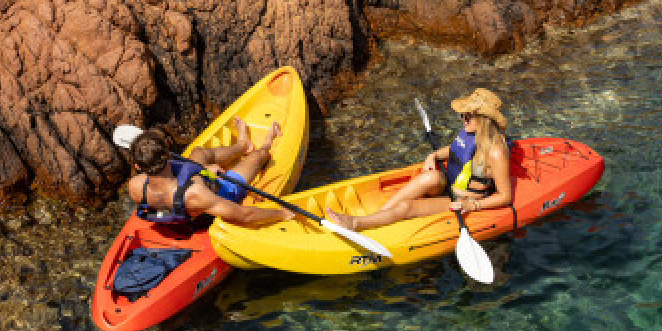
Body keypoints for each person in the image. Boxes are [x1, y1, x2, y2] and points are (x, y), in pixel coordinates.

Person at [327, 88, 514, 231]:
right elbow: (456, 150)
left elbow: (505, 196)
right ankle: (379, 216)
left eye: (467, 116)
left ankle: (357, 222)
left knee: (407, 207)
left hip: (462, 199)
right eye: (462, 115)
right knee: (428, 177)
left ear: (484, 120)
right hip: (449, 184)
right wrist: (432, 156)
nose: (462, 119)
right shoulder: (470, 133)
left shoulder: (496, 152)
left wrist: (473, 205)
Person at [125, 117, 294, 227]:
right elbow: (244, 215)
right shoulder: (194, 194)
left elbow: (175, 171)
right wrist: (282, 213)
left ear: (137, 167)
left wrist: (203, 170)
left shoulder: (135, 186)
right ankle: (265, 145)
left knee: (199, 152)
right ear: (168, 155)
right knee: (257, 158)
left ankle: (242, 145)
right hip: (220, 192)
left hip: (185, 195)